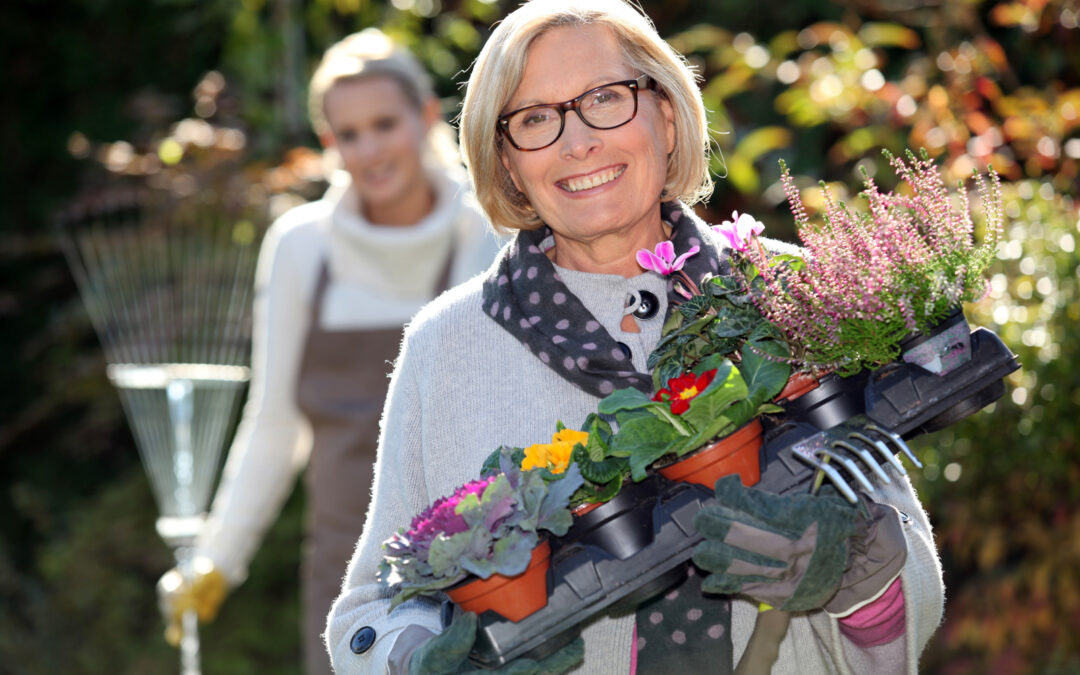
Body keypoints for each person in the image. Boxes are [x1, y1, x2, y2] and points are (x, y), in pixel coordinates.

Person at [326, 1, 945, 673]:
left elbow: (909, 571)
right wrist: (420, 656)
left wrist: (859, 577)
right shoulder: (447, 346)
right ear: (505, 162)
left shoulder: (791, 293)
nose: (577, 141)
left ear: (669, 117)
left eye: (605, 98)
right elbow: (372, 606)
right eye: (536, 119)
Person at [156, 28, 502, 675]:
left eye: (383, 124)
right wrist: (215, 560)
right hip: (346, 574)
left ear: (427, 117)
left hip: (475, 569)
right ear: (328, 144)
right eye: (348, 134)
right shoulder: (300, 247)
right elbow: (275, 422)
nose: (368, 149)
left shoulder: (483, 230)